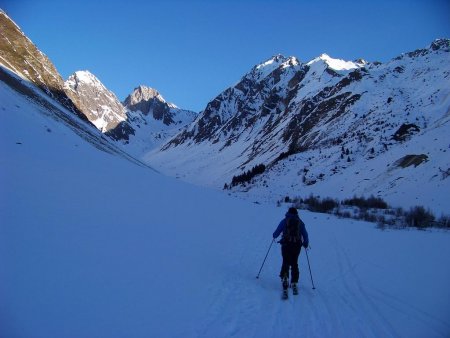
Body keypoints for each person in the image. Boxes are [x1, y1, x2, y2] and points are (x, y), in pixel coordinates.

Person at [272, 207, 309, 294]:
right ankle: (294, 282)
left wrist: (274, 236)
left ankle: (285, 278)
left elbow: (277, 232)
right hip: (296, 246)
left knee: (285, 261)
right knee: (294, 262)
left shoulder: (285, 221)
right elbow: (305, 235)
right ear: (297, 213)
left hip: (286, 244)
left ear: (288, 212)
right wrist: (305, 243)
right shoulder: (300, 222)